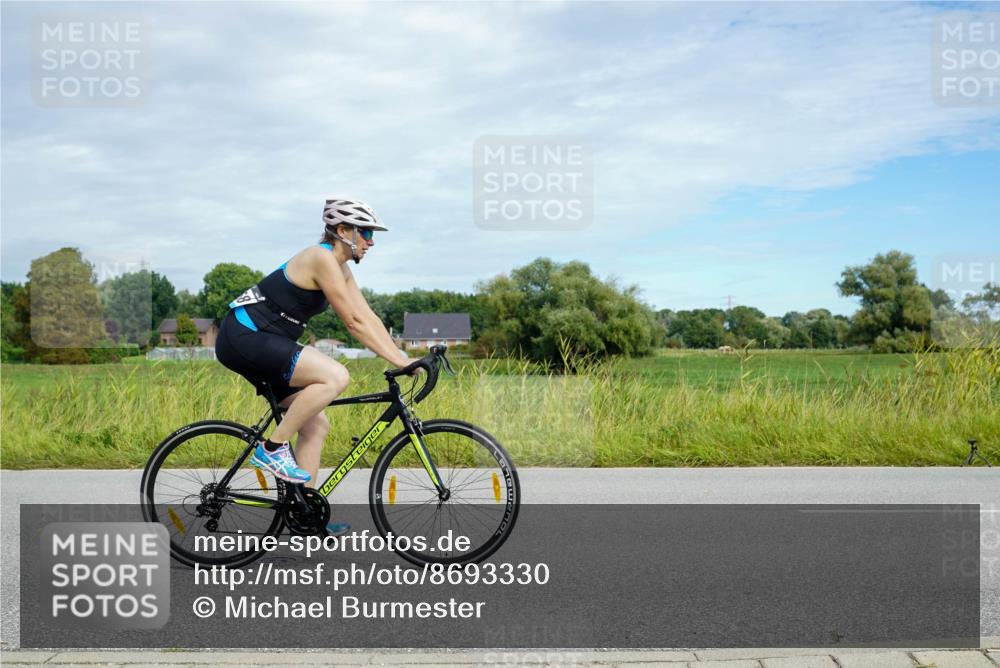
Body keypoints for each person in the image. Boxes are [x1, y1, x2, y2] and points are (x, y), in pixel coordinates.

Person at [214, 198, 413, 532]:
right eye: (365, 232)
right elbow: (352, 322)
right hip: (244, 334)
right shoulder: (320, 258)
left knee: (316, 424)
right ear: (342, 230)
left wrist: (404, 357)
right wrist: (400, 361)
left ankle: (305, 514)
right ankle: (272, 448)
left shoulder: (341, 268)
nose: (371, 241)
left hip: (266, 340)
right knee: (335, 376)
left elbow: (368, 316)